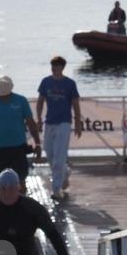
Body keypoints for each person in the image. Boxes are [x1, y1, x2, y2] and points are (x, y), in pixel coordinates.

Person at [0, 76, 41, 194]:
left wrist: (37, 143)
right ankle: (5, 201)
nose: (4, 96)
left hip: (18, 147)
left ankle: (22, 200)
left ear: (11, 88)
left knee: (21, 180)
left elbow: (31, 123)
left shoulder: (21, 101)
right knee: (2, 182)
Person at [36, 56, 83, 201]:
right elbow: (40, 101)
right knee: (49, 153)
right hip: (49, 122)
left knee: (59, 157)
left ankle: (56, 189)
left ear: (62, 68)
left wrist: (78, 122)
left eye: (57, 66)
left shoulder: (70, 84)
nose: (54, 69)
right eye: (53, 66)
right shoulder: (46, 82)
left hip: (64, 123)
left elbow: (75, 103)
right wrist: (39, 119)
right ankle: (65, 172)